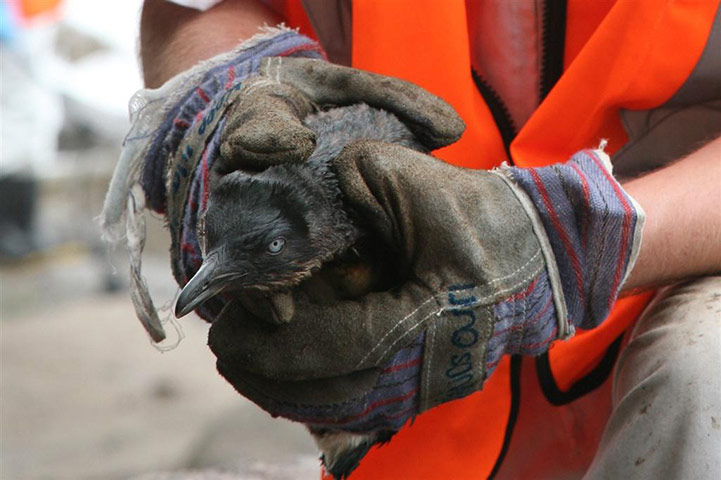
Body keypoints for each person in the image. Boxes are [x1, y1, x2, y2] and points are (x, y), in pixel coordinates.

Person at [110, 0, 720, 478]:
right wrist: (225, 95)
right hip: (423, 434)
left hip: (665, 286)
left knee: (705, 374)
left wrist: (576, 238)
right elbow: (192, 4)